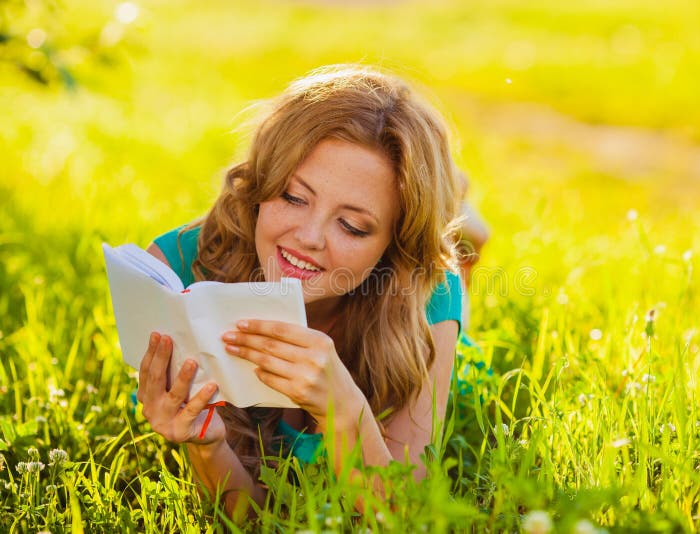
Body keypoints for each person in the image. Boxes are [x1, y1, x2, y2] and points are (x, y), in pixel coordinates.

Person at [135, 64, 464, 522]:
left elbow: (394, 518)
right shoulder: (175, 269)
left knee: (461, 258)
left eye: (352, 225)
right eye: (292, 197)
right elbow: (250, 519)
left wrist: (344, 410)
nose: (308, 237)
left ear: (394, 245)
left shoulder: (425, 291)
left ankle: (466, 225)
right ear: (260, 186)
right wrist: (207, 447)